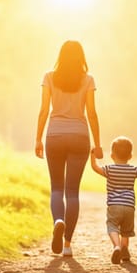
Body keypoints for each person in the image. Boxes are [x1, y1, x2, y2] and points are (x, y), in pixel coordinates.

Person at [35, 40, 104, 257]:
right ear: (80, 56)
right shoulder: (88, 79)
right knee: (72, 192)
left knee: (56, 188)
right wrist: (98, 144)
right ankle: (67, 245)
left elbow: (44, 110)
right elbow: (91, 113)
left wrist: (38, 139)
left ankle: (58, 220)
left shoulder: (49, 76)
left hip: (54, 135)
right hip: (79, 136)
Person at [89, 136, 137, 264]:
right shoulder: (133, 169)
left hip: (114, 205)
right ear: (130, 156)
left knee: (112, 226)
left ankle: (117, 246)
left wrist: (92, 155)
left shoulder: (109, 169)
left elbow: (95, 167)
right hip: (129, 206)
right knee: (126, 230)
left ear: (112, 155)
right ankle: (125, 249)